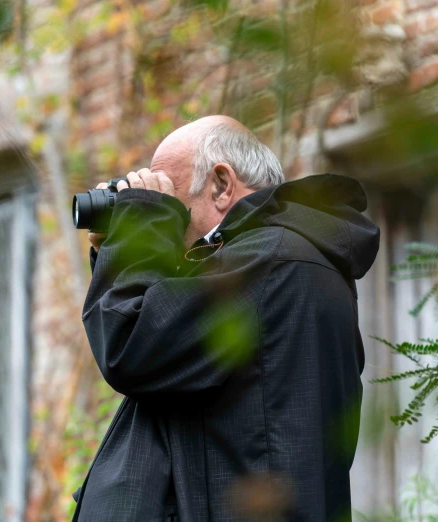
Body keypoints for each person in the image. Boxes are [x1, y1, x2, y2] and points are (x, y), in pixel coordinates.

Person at [72, 115, 380, 522]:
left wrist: (140, 232)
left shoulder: (270, 262)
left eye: (170, 200)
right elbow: (164, 338)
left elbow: (129, 343)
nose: (165, 220)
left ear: (220, 185)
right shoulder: (273, 258)